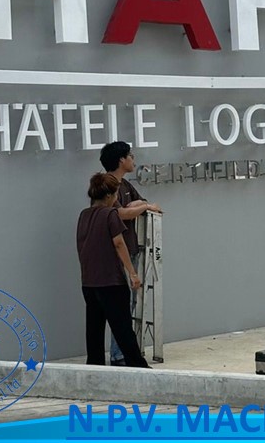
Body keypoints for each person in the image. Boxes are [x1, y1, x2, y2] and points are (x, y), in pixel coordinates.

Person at [76, 172, 150, 367]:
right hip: (111, 280)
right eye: (116, 194)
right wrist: (132, 273)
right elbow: (119, 243)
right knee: (122, 327)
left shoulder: (84, 215)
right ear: (109, 195)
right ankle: (138, 365)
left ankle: (95, 366)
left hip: (89, 281)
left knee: (94, 328)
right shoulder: (110, 214)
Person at [99, 141, 161, 366]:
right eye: (130, 156)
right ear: (121, 160)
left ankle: (124, 352)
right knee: (121, 307)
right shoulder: (106, 184)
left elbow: (137, 201)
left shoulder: (125, 184)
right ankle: (119, 355)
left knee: (130, 304)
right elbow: (120, 214)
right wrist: (143, 207)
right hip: (118, 253)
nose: (133, 159)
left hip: (131, 249)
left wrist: (138, 205)